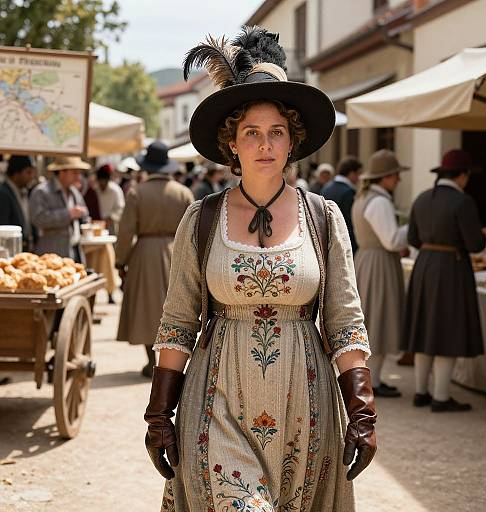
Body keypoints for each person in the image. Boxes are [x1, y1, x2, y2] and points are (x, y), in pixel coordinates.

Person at [144, 27, 376, 512]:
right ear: (232, 143)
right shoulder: (201, 218)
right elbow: (178, 322)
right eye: (251, 132)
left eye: (277, 132)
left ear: (293, 141)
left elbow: (345, 322)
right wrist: (160, 414)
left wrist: (362, 411)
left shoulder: (323, 217)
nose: (264, 144)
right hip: (218, 397)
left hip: (305, 405)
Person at [403, 149, 486, 412]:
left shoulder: (422, 198)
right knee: (447, 330)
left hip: (425, 264)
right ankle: (440, 396)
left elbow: (413, 238)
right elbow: (475, 244)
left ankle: (421, 392)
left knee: (426, 327)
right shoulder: (463, 202)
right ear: (461, 175)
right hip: (451, 267)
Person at [115, 141, 194, 378]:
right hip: (176, 252)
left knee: (145, 309)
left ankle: (151, 362)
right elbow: (194, 230)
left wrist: (120, 261)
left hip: (145, 253)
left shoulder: (136, 192)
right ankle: (170, 363)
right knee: (176, 310)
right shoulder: (183, 192)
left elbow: (126, 231)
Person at [352, 149, 409, 398]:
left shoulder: (363, 198)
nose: (398, 179)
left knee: (373, 317)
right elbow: (392, 241)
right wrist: (413, 226)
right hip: (379, 262)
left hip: (367, 259)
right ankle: (372, 380)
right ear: (384, 177)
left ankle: (372, 377)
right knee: (379, 317)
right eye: (395, 174)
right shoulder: (380, 201)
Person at [29, 156, 89, 261]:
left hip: (73, 249)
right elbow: (38, 218)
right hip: (52, 253)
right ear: (62, 172)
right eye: (74, 172)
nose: (78, 176)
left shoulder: (74, 191)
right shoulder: (42, 191)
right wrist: (68, 214)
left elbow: (85, 213)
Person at [321, 156, 362, 253]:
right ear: (352, 173)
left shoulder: (326, 188)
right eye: (358, 174)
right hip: (345, 242)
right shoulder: (349, 192)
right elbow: (351, 221)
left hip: (326, 240)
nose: (359, 178)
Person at [0, 155, 37, 251]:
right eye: (28, 172)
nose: (32, 176)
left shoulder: (25, 191)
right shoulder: (3, 193)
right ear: (16, 173)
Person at [95, 163, 125, 235]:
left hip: (112, 225)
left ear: (107, 180)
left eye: (103, 182)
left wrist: (111, 217)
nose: (101, 184)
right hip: (98, 224)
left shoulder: (115, 190)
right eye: (100, 182)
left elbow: (120, 208)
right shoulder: (96, 190)